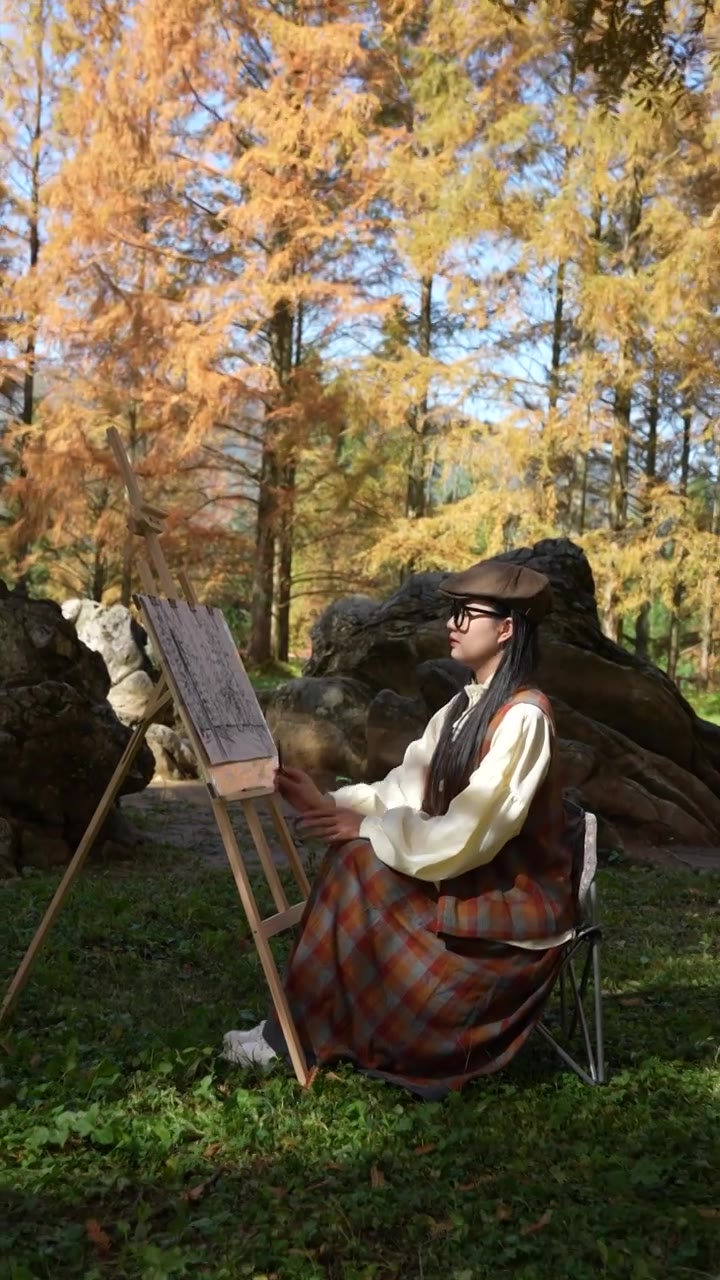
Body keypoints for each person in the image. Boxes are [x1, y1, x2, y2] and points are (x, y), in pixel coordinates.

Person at [222, 557, 577, 1098]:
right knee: (354, 858)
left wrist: (366, 829)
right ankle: (294, 1032)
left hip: (507, 927)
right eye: (451, 611)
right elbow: (401, 789)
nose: (453, 623)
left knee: (356, 860)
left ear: (507, 629)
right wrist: (327, 800)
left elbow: (467, 834)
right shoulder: (462, 707)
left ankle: (291, 1035)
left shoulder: (524, 718)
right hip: (471, 889)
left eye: (467, 612)